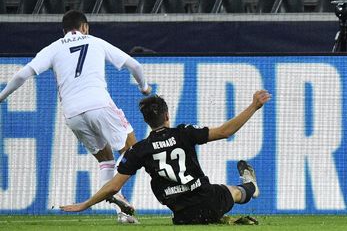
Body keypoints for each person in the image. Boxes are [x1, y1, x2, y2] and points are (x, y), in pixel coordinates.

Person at [0, 10, 151, 224]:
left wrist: (1, 97)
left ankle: (122, 214)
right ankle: (114, 192)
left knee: (105, 158)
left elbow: (22, 74)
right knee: (133, 149)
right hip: (99, 104)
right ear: (85, 27)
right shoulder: (96, 41)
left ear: (64, 31)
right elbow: (135, 65)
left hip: (72, 114)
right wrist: (144, 87)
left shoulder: (53, 48)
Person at [61, 90, 271, 225]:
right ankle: (251, 186)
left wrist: (85, 204)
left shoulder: (139, 150)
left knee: (205, 205)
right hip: (209, 200)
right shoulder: (184, 133)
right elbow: (225, 131)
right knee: (233, 191)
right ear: (167, 115)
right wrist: (254, 106)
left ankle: (225, 219)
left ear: (146, 121)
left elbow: (113, 187)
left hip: (183, 216)